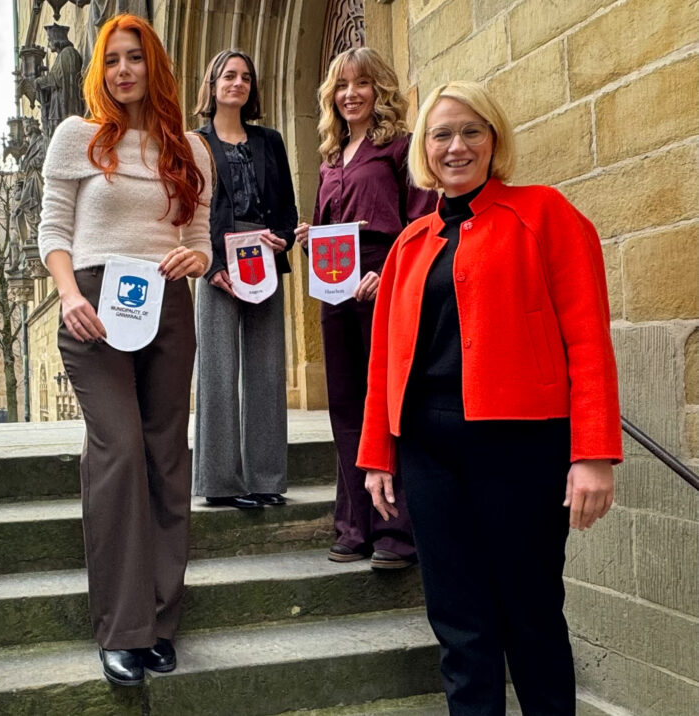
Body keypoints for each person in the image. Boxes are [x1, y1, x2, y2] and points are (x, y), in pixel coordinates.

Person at [358, 81, 621, 714]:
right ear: (424, 148)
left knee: (530, 615)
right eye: (441, 135)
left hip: (521, 446)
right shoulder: (409, 244)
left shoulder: (546, 214)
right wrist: (376, 454)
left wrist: (593, 453)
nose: (457, 146)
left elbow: (587, 340)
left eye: (472, 131)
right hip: (427, 448)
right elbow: (384, 363)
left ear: (494, 138)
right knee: (458, 625)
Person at [38, 13, 212, 687]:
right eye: (112, 60)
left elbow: (196, 234)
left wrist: (194, 261)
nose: (123, 70)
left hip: (165, 305)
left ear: (154, 64)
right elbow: (53, 229)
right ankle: (122, 627)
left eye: (135, 58)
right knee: (120, 448)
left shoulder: (189, 150)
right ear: (100, 71)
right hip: (93, 309)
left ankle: (162, 620)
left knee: (168, 455)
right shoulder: (76, 137)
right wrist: (67, 295)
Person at [294, 46, 436, 568]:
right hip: (336, 287)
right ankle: (354, 524)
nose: (350, 94)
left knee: (386, 403)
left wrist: (391, 272)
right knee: (346, 405)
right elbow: (327, 223)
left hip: (383, 281)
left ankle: (396, 533)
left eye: (361, 84)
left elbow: (422, 224)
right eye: (341, 85)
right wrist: (311, 237)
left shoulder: (400, 149)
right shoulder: (331, 158)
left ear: (380, 90)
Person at [191, 49, 298, 509]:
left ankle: (266, 479)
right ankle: (219, 482)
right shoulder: (193, 143)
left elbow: (289, 209)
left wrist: (284, 239)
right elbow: (187, 209)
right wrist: (212, 265)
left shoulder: (270, 141)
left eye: (246, 78)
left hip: (264, 260)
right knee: (217, 371)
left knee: (267, 369)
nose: (238, 83)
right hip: (217, 260)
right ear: (212, 85)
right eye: (229, 76)